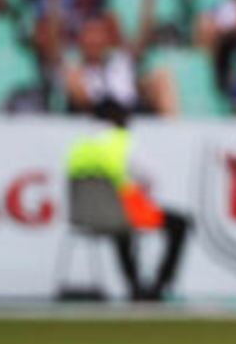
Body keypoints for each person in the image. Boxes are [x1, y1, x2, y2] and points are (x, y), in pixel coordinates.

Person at [64, 102, 192, 301]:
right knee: (180, 223)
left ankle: (134, 285)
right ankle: (160, 285)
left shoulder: (80, 146)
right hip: (121, 215)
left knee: (120, 225)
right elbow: (149, 178)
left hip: (83, 216)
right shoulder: (122, 141)